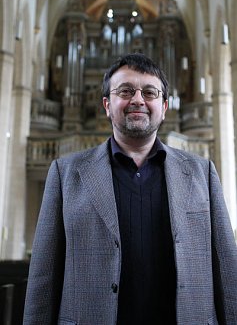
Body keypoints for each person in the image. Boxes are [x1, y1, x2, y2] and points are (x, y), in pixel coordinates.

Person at [23, 53, 237, 325]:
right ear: (107, 105)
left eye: (149, 92)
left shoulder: (202, 173)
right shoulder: (65, 174)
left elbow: (227, 273)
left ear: (165, 106)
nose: (138, 99)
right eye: (125, 91)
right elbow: (43, 276)